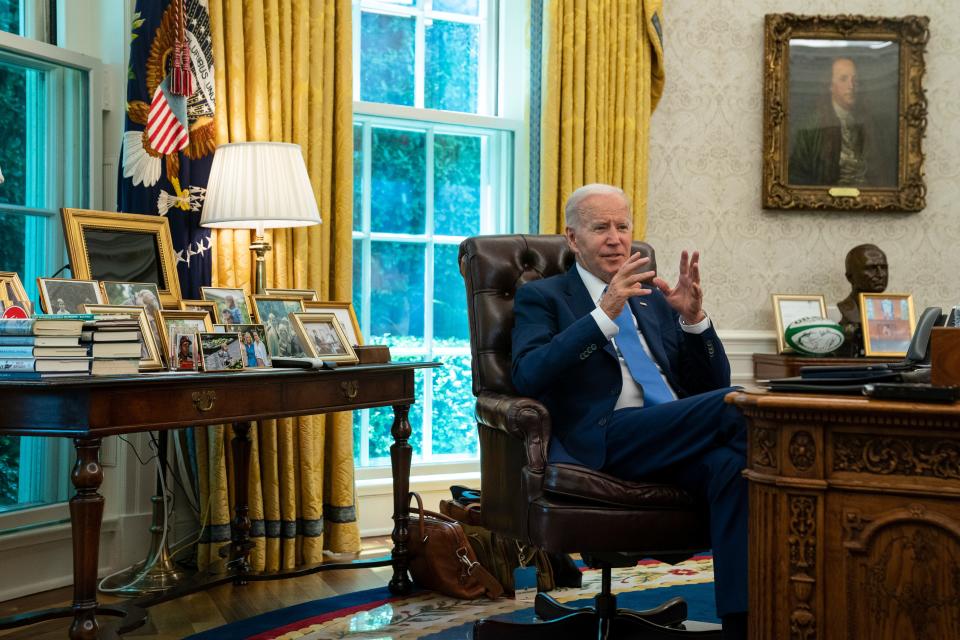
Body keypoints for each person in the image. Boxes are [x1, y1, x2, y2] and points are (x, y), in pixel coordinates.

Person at [511, 184, 747, 639]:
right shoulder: (544, 297)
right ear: (573, 238)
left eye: (623, 226)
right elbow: (529, 374)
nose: (616, 238)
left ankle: (743, 626)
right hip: (605, 436)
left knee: (733, 465)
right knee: (739, 406)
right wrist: (603, 315)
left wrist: (694, 321)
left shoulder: (652, 296)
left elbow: (708, 387)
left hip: (667, 435)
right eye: (601, 227)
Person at [788, 57, 894, 187]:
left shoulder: (870, 124)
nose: (851, 86)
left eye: (855, 80)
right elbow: (799, 177)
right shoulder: (810, 128)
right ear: (830, 86)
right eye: (843, 79)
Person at [837, 243, 888, 356]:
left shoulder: (893, 311)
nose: (880, 274)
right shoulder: (845, 310)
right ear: (850, 277)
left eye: (884, 268)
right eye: (871, 269)